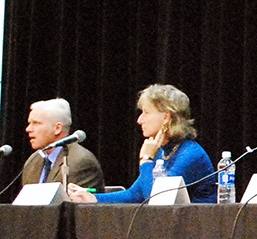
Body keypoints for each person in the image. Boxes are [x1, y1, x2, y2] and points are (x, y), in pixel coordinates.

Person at [67, 84, 217, 204]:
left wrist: (145, 160)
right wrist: (92, 198)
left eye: (146, 112)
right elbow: (135, 194)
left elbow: (157, 200)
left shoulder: (190, 155)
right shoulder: (161, 151)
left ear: (166, 117)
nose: (139, 120)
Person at [20, 98, 105, 191]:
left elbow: (75, 204)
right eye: (29, 123)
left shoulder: (81, 162)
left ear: (57, 128)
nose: (28, 129)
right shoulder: (33, 161)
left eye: (36, 123)